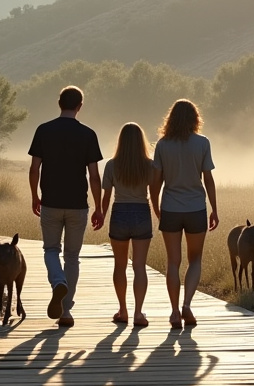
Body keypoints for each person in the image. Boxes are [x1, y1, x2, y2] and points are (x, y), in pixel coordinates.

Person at [28, 85, 104, 327]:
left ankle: (58, 282)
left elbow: (34, 169)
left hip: (50, 202)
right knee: (72, 256)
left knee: (51, 250)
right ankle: (66, 311)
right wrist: (99, 207)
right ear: (80, 106)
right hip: (77, 205)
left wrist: (35, 196)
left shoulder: (43, 130)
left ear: (59, 103)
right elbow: (94, 176)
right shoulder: (88, 134)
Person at [151, 99, 219, 329]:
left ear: (170, 119)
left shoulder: (162, 145)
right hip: (196, 208)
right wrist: (214, 209)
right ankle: (187, 304)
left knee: (173, 262)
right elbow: (208, 179)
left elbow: (155, 182)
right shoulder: (203, 143)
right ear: (194, 119)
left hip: (171, 207)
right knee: (195, 259)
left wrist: (156, 207)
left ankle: (173, 312)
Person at [100, 122, 158, 328]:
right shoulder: (150, 165)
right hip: (142, 212)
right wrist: (159, 213)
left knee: (120, 265)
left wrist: (101, 214)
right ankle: (138, 313)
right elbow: (154, 193)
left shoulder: (111, 165)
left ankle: (123, 310)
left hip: (119, 213)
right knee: (139, 266)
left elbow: (106, 196)